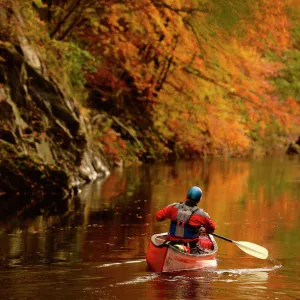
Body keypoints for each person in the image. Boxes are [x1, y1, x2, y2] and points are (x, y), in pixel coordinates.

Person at [156, 186, 216, 254]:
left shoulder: (173, 207)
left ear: (186, 196)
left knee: (171, 244)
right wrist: (206, 230)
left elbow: (158, 217)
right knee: (197, 248)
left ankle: (172, 250)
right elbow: (212, 228)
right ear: (199, 200)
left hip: (172, 243)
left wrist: (169, 215)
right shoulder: (202, 215)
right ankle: (185, 252)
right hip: (191, 246)